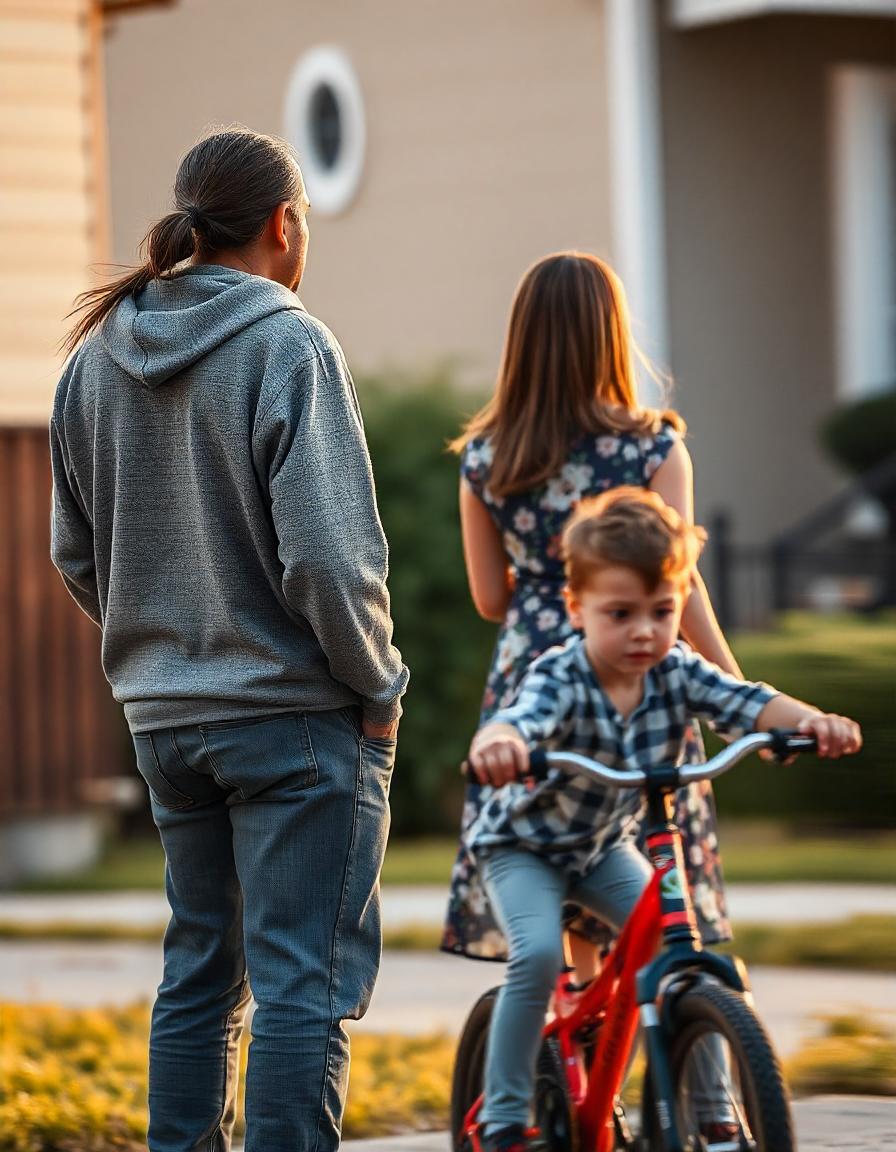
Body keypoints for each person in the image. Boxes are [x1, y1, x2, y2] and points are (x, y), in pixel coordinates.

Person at [50, 128, 408, 1152]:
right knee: (303, 980)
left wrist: (160, 654)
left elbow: (77, 554)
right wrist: (375, 683)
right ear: (284, 225)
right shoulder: (290, 345)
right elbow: (331, 564)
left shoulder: (93, 361)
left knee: (200, 971)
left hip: (166, 726)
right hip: (294, 721)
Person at [465, 487, 861, 1152]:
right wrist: (498, 742)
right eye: (620, 613)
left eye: (662, 610)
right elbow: (520, 717)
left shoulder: (676, 670)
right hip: (523, 847)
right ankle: (505, 1115)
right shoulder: (561, 673)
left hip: (598, 846)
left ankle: (714, 1112)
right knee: (534, 957)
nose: (644, 631)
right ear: (577, 609)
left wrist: (811, 721)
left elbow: (749, 702)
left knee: (684, 954)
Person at [442, 251, 741, 967]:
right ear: (613, 332)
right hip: (639, 663)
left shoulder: (486, 458)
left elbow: (489, 598)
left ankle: (580, 1036)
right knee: (648, 854)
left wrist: (554, 597)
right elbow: (682, 581)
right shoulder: (654, 447)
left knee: (560, 850)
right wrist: (729, 686)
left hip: (536, 673)